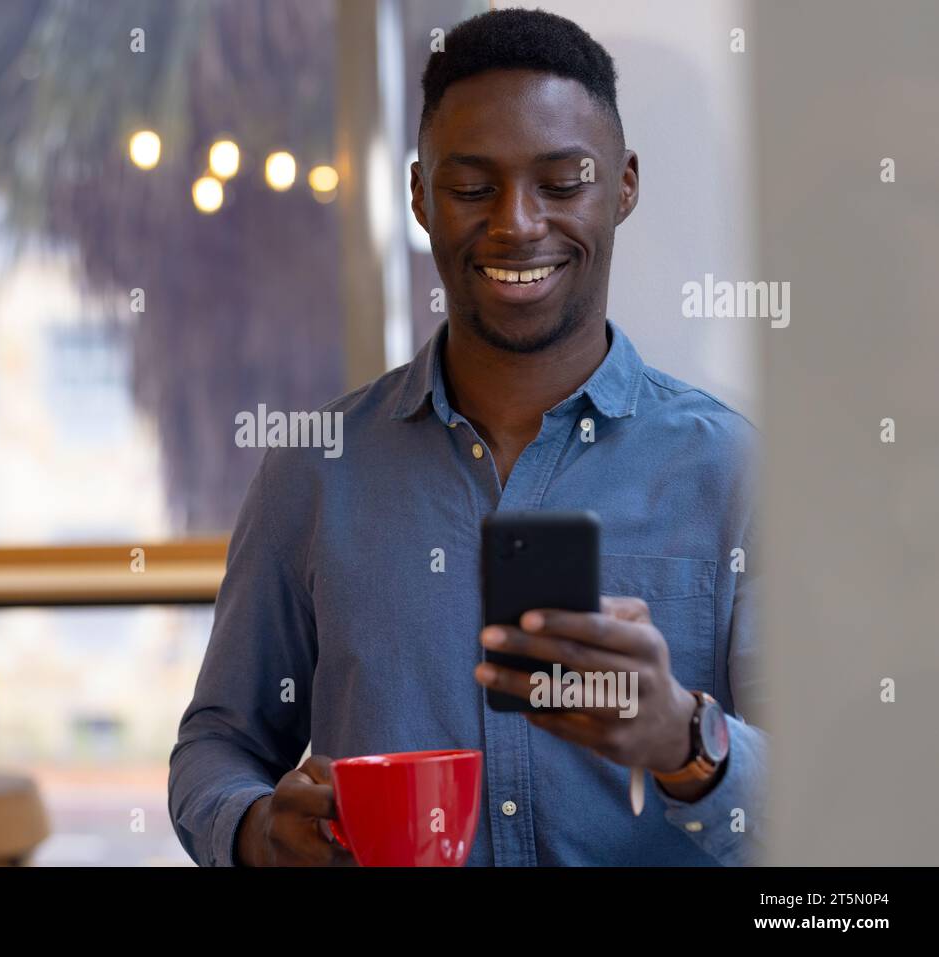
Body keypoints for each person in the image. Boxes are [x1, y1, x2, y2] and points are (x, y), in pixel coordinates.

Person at [168, 7, 764, 866]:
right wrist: (259, 829)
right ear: (419, 196)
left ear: (623, 186)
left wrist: (686, 742)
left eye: (562, 183)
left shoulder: (731, 471)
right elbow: (217, 745)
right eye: (473, 187)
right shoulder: (314, 470)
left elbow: (823, 800)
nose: (517, 223)